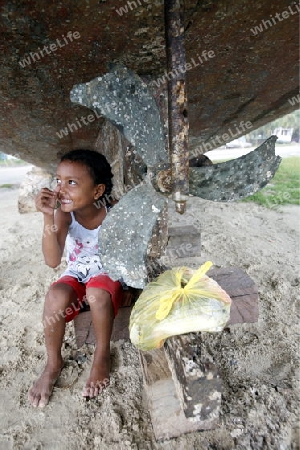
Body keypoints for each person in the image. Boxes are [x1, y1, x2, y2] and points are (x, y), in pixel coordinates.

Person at [28, 149, 125, 407]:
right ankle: (53, 362)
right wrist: (48, 215)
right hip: (78, 271)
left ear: (97, 191)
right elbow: (52, 261)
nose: (61, 189)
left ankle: (102, 355)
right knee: (55, 296)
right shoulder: (63, 214)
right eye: (58, 180)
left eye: (72, 183)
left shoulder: (114, 213)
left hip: (107, 273)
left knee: (96, 292)